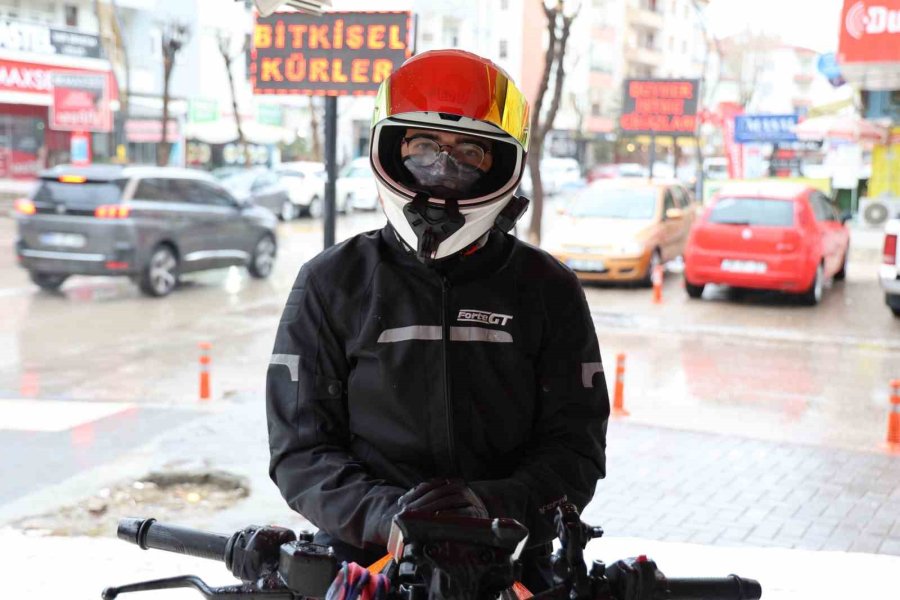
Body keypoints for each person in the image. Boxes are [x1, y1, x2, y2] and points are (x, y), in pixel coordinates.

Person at [266, 49, 610, 591]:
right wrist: (389, 517)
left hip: (514, 561)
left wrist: (489, 510)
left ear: (500, 164)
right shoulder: (334, 281)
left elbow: (576, 445)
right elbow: (301, 451)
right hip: (367, 566)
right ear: (391, 149)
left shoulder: (547, 288)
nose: (442, 167)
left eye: (468, 152)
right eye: (424, 146)